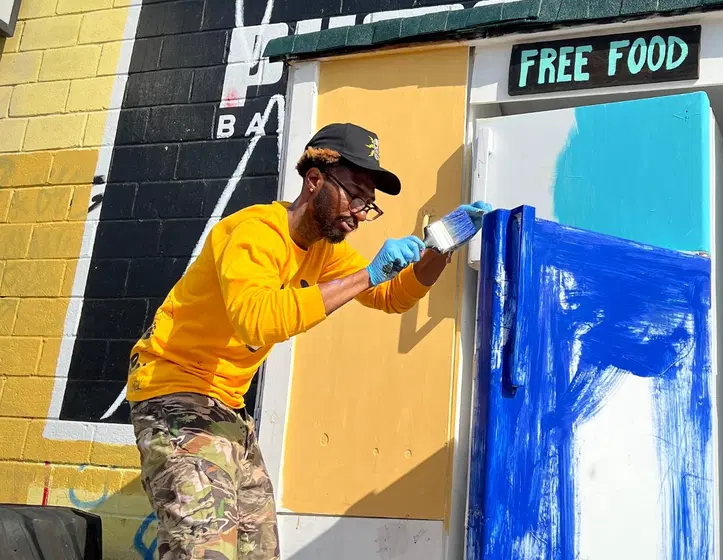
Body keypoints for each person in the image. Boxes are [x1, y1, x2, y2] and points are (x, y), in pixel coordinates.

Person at [126, 122, 490, 560]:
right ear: (314, 179)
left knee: (256, 551)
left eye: (368, 206)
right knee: (206, 550)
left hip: (227, 406)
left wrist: (441, 249)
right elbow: (256, 321)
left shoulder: (324, 249)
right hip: (175, 392)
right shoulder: (254, 233)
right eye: (354, 195)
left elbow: (392, 297)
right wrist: (367, 274)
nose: (358, 213)